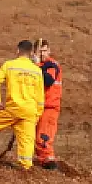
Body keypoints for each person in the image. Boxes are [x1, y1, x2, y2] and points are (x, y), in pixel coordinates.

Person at [0, 40, 45, 170]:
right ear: (31, 53)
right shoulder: (37, 71)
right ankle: (26, 167)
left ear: (18, 51)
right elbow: (40, 98)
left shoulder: (9, 65)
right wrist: (36, 115)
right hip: (29, 111)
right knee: (26, 140)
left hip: (13, 109)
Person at [33, 40, 62, 170]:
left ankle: (49, 162)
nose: (42, 53)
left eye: (44, 51)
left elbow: (48, 80)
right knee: (34, 136)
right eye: (40, 51)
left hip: (49, 107)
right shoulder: (37, 65)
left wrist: (36, 65)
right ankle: (43, 160)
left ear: (49, 51)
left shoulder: (52, 65)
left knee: (43, 137)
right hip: (38, 106)